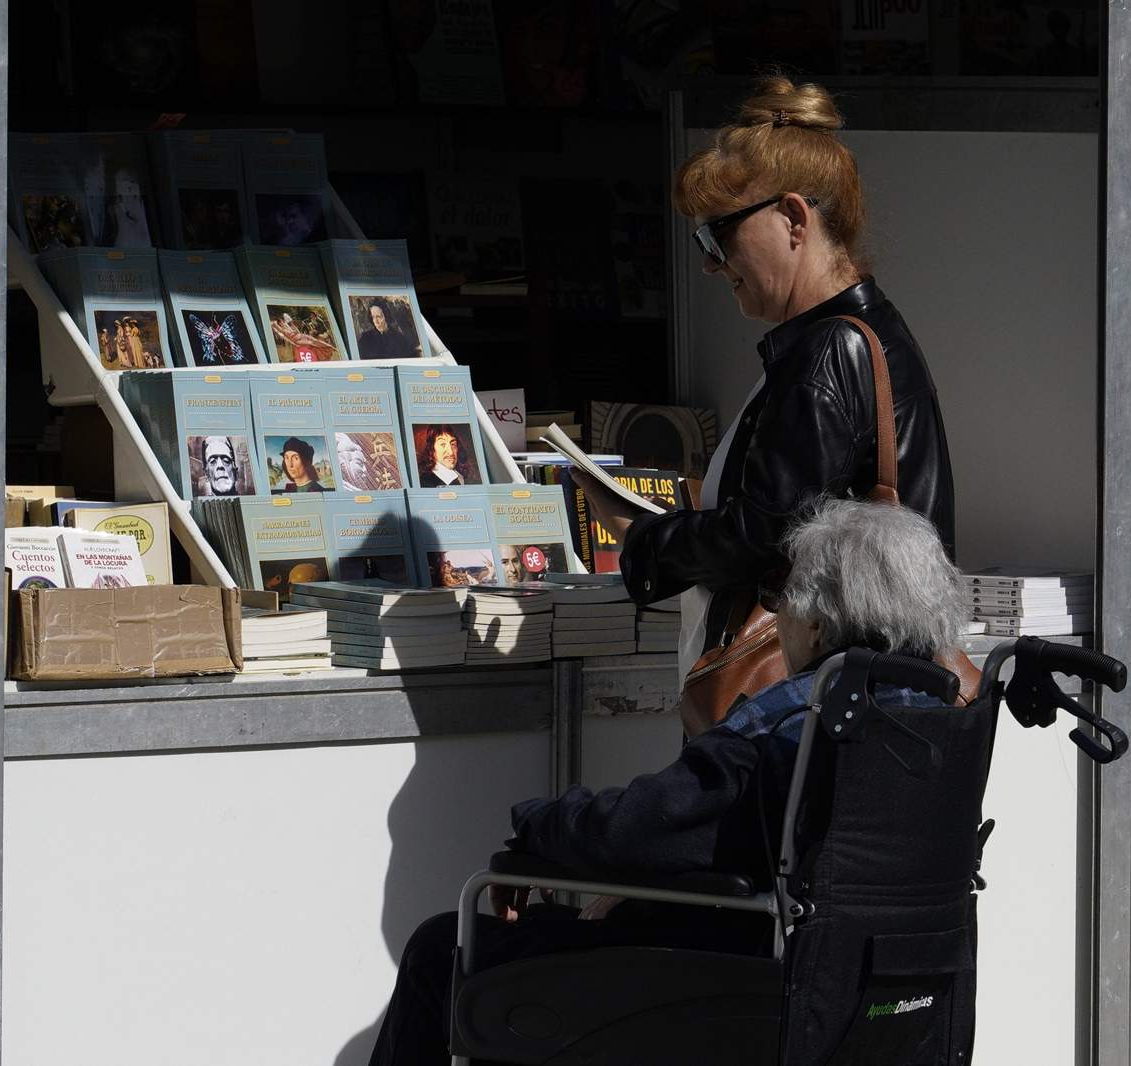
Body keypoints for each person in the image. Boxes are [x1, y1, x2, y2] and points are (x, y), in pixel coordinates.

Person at [366, 498, 967, 1066]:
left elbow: (636, 828)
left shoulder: (790, 722)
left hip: (730, 980)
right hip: (877, 990)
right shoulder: (942, 721)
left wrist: (533, 826)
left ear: (816, 625)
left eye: (779, 598)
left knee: (442, 949)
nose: (776, 613)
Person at [575, 75, 955, 690]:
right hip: (866, 696)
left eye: (717, 234)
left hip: (810, 708)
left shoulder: (827, 352)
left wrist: (645, 540)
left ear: (792, 219)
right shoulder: (872, 331)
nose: (707, 261)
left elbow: (764, 535)